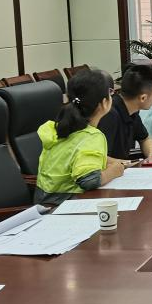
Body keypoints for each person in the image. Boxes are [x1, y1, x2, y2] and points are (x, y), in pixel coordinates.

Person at [35, 69, 127, 205]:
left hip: (43, 204)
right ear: (104, 103)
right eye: (110, 93)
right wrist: (114, 171)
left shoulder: (57, 128)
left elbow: (70, 155)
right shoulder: (92, 136)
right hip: (67, 205)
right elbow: (89, 181)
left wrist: (106, 161)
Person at [98, 64, 152, 160]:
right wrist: (130, 164)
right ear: (143, 98)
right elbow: (101, 158)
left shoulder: (132, 112)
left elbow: (145, 139)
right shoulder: (109, 114)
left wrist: (150, 156)